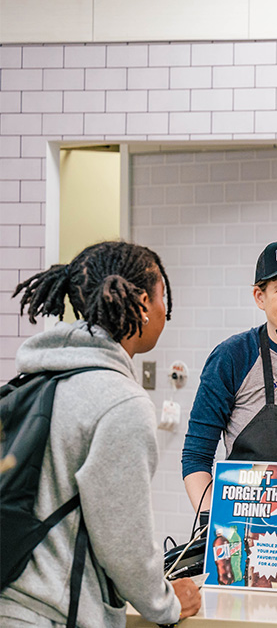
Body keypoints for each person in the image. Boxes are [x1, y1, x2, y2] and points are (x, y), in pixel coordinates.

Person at [2, 241, 201, 626]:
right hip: (52, 616)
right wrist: (165, 602)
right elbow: (124, 542)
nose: (166, 311)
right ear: (143, 303)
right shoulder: (120, 402)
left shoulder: (36, 381)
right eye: (164, 297)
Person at [181, 239, 277, 512]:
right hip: (248, 522)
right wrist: (209, 521)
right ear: (259, 297)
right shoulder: (233, 356)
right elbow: (196, 455)